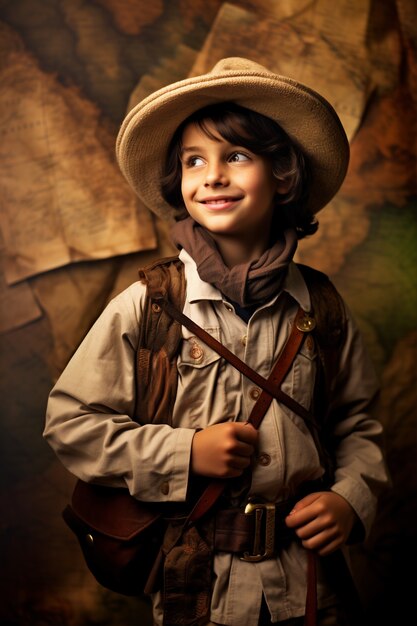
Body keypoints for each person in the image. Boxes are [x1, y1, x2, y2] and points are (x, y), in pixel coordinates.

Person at [44, 57, 388, 626]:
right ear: (179, 183)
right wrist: (185, 453)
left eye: (237, 156)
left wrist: (351, 497)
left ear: (282, 174)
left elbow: (358, 424)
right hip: (198, 586)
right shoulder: (151, 305)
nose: (213, 176)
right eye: (193, 161)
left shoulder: (322, 307)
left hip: (310, 588)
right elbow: (71, 424)